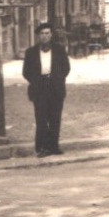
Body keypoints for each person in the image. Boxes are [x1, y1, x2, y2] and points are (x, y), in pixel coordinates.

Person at [22, 22, 70, 156]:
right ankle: (42, 148)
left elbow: (66, 68)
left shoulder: (60, 50)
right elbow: (26, 72)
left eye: (47, 33)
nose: (45, 36)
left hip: (55, 87)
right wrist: (37, 81)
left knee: (55, 119)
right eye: (42, 34)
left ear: (51, 35)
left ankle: (54, 146)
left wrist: (57, 79)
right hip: (39, 88)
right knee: (41, 119)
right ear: (38, 36)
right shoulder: (31, 52)